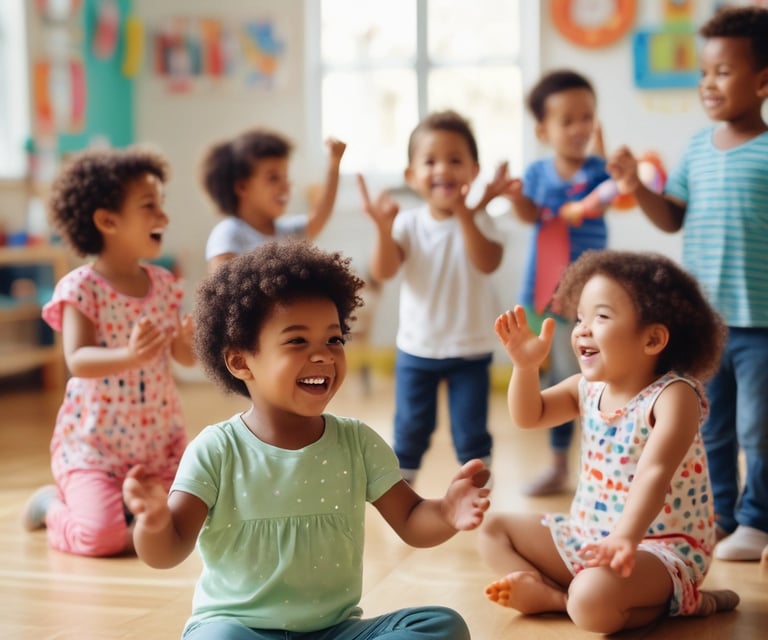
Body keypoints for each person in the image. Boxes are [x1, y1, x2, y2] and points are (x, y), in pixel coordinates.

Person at [123, 240, 492, 640]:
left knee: (442, 625)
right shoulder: (217, 450)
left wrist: (446, 513)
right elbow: (168, 551)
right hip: (242, 630)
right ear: (241, 361)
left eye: (334, 340)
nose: (323, 356)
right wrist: (155, 523)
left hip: (335, 631)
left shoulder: (357, 443)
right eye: (297, 341)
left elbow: (410, 521)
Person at [478, 249, 739, 634]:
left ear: (652, 339)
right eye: (580, 316)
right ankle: (555, 595)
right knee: (493, 529)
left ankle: (690, 601)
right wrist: (525, 367)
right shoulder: (587, 388)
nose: (582, 328)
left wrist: (624, 538)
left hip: (658, 549)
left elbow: (654, 473)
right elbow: (528, 415)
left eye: (601, 316)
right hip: (589, 536)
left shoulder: (673, 397)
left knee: (590, 601)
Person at [608, 5, 768, 561]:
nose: (708, 83)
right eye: (704, 73)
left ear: (763, 80)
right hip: (707, 325)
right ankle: (721, 514)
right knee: (711, 422)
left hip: (762, 323)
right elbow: (672, 216)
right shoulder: (698, 147)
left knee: (759, 427)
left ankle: (757, 518)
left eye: (722, 72)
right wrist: (637, 186)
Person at [22, 147, 196, 557]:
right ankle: (51, 507)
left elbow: (180, 359)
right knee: (103, 539)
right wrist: (129, 356)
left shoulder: (164, 284)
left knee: (190, 522)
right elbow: (77, 359)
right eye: (149, 206)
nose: (164, 217)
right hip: (95, 451)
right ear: (107, 221)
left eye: (162, 204)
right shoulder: (81, 288)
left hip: (158, 445)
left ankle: (126, 507)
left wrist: (187, 345)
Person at [357, 110, 505, 485]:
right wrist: (382, 229)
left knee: (470, 431)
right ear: (411, 175)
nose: (443, 169)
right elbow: (385, 271)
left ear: (473, 171)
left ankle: (475, 490)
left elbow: (488, 262)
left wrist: (466, 215)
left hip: (470, 349)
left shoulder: (482, 220)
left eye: (455, 161)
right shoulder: (408, 223)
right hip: (417, 349)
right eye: (431, 161)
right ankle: (403, 489)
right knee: (409, 427)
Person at [486, 69, 610, 496]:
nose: (580, 128)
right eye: (568, 119)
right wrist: (513, 194)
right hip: (546, 294)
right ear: (543, 129)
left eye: (587, 117)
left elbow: (614, 194)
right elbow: (528, 214)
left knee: (593, 378)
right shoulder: (538, 172)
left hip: (591, 300)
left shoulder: (599, 171)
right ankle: (559, 466)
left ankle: (599, 466)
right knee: (557, 378)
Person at [202, 128, 346, 273]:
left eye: (286, 177)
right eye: (273, 178)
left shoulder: (286, 231)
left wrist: (334, 164)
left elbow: (319, 217)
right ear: (242, 186)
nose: (286, 186)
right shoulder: (228, 233)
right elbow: (221, 290)